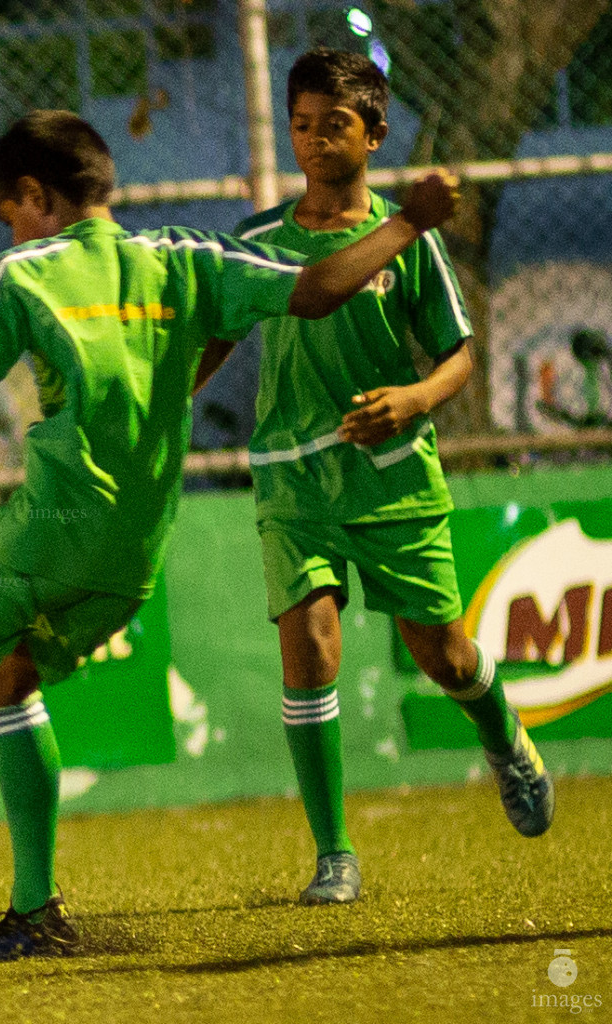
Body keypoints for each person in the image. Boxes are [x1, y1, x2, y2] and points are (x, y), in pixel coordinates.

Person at [0, 109, 461, 962]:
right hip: (134, 549)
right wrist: (406, 224)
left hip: (51, 527)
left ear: (30, 195)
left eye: (7, 210)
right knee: (9, 678)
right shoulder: (184, 257)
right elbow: (315, 289)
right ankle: (32, 914)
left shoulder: (19, 271)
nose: (10, 228)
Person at [221, 47, 552, 907]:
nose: (313, 142)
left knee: (439, 654)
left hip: (392, 480)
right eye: (299, 125)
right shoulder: (257, 241)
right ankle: (333, 853)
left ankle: (501, 732)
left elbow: (458, 356)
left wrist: (411, 400)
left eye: (333, 126)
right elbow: (210, 335)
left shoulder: (406, 243)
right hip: (293, 479)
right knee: (310, 646)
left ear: (374, 132)